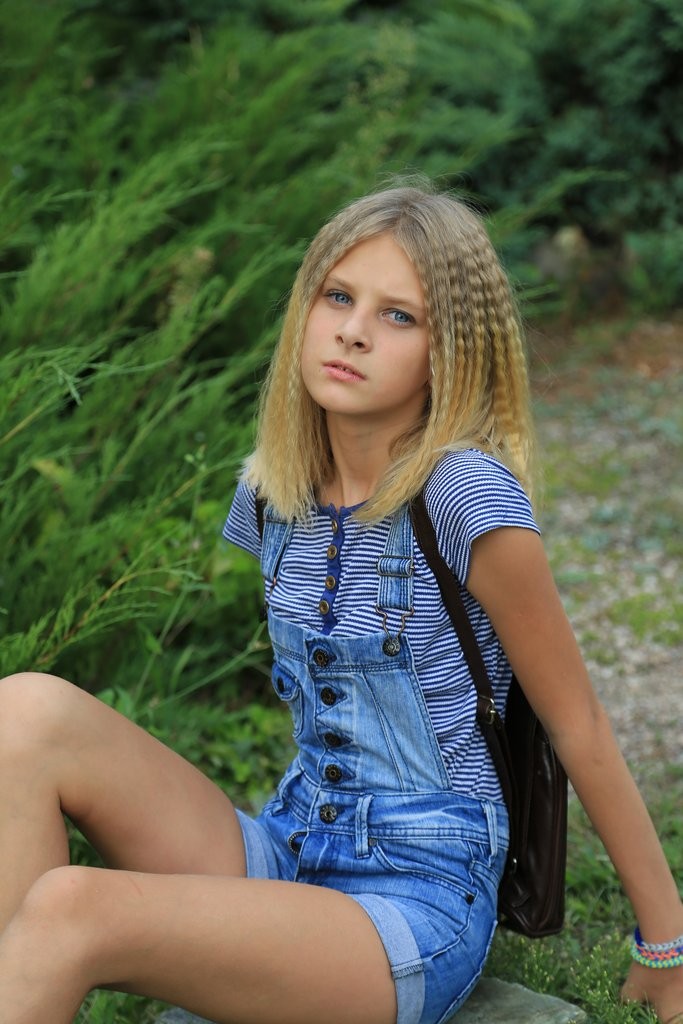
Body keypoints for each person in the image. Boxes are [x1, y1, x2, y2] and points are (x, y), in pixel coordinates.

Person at [0, 185, 680, 1024]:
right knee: (22, 712)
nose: (354, 330)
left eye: (399, 316)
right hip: (290, 848)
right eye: (337, 297)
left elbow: (578, 723)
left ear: (451, 352)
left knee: (72, 905)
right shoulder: (275, 491)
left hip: (414, 901)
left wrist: (666, 946)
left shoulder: (464, 495)